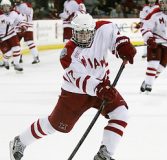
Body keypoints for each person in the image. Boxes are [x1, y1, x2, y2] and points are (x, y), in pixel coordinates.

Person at [9, 13, 136, 160]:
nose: (82, 37)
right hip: (75, 94)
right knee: (54, 125)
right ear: (73, 32)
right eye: (79, 33)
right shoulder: (67, 53)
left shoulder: (103, 28)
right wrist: (99, 88)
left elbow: (115, 35)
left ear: (93, 30)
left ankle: (105, 154)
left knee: (121, 113)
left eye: (86, 33)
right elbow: (80, 78)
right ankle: (20, 141)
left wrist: (122, 45)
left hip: (102, 87)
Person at [0, 0, 26, 71]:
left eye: (7, 7)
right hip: (2, 37)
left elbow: (21, 20)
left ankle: (16, 64)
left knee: (17, 48)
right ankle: (5, 60)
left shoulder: (14, 13)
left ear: (10, 7)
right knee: (8, 53)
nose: (5, 9)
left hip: (12, 34)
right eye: (4, 7)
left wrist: (23, 26)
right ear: (1, 7)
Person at [14, 0, 40, 64]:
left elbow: (24, 16)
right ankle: (18, 58)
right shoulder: (16, 6)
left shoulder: (25, 5)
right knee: (16, 44)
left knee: (30, 42)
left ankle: (36, 57)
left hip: (27, 27)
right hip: (18, 28)